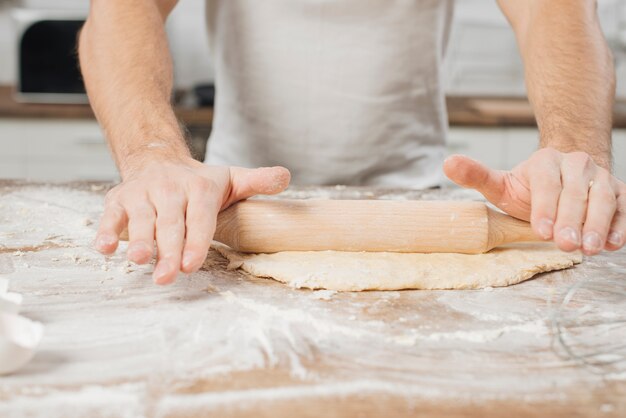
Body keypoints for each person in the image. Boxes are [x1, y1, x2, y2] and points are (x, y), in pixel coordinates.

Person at [79, 0, 626, 285]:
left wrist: (573, 143)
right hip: (233, 206)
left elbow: (552, 10)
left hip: (423, 199)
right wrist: (153, 152)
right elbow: (123, 10)